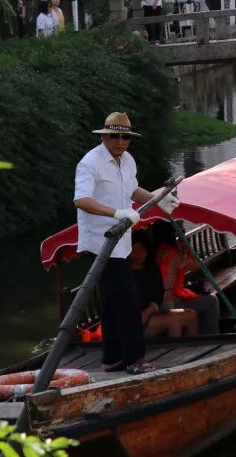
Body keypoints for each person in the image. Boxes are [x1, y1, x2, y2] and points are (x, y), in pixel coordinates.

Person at [73, 112, 180, 374]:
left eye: (125, 137)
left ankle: (111, 358)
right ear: (105, 136)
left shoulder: (128, 160)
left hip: (122, 242)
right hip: (101, 242)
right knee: (129, 299)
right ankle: (135, 360)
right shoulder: (90, 163)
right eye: (115, 136)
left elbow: (132, 190)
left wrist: (159, 200)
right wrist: (116, 213)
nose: (120, 142)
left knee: (111, 302)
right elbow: (81, 200)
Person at [152, 220, 220, 335]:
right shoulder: (172, 253)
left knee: (201, 298)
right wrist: (186, 244)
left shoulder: (157, 249)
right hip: (167, 302)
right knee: (212, 301)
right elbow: (196, 266)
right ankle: (212, 336)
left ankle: (204, 332)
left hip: (159, 299)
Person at [130, 231, 197, 338]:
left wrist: (148, 311)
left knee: (191, 315)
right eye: (133, 250)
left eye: (142, 250)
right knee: (172, 320)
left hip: (151, 313)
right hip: (131, 322)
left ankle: (195, 349)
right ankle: (177, 354)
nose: (138, 254)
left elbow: (158, 295)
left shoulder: (151, 269)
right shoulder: (123, 273)